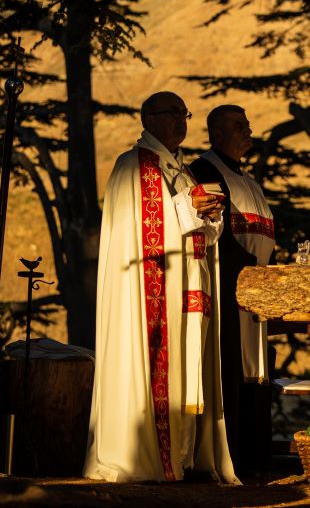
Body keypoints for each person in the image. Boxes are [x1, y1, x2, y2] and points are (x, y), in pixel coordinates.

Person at [84, 92, 236, 483]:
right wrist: (189, 209)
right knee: (158, 365)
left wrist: (210, 216)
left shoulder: (181, 171)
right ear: (148, 118)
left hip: (186, 287)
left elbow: (192, 228)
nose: (181, 121)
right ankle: (152, 457)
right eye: (172, 113)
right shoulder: (134, 166)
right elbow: (147, 231)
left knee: (187, 369)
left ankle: (182, 457)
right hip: (151, 289)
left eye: (184, 114)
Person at [189, 105, 273, 477]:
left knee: (255, 369)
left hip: (256, 290)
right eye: (239, 126)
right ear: (216, 132)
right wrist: (250, 273)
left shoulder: (248, 180)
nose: (248, 130)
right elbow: (215, 232)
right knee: (231, 370)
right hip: (228, 289)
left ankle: (255, 456)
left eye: (248, 124)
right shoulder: (206, 171)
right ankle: (233, 455)